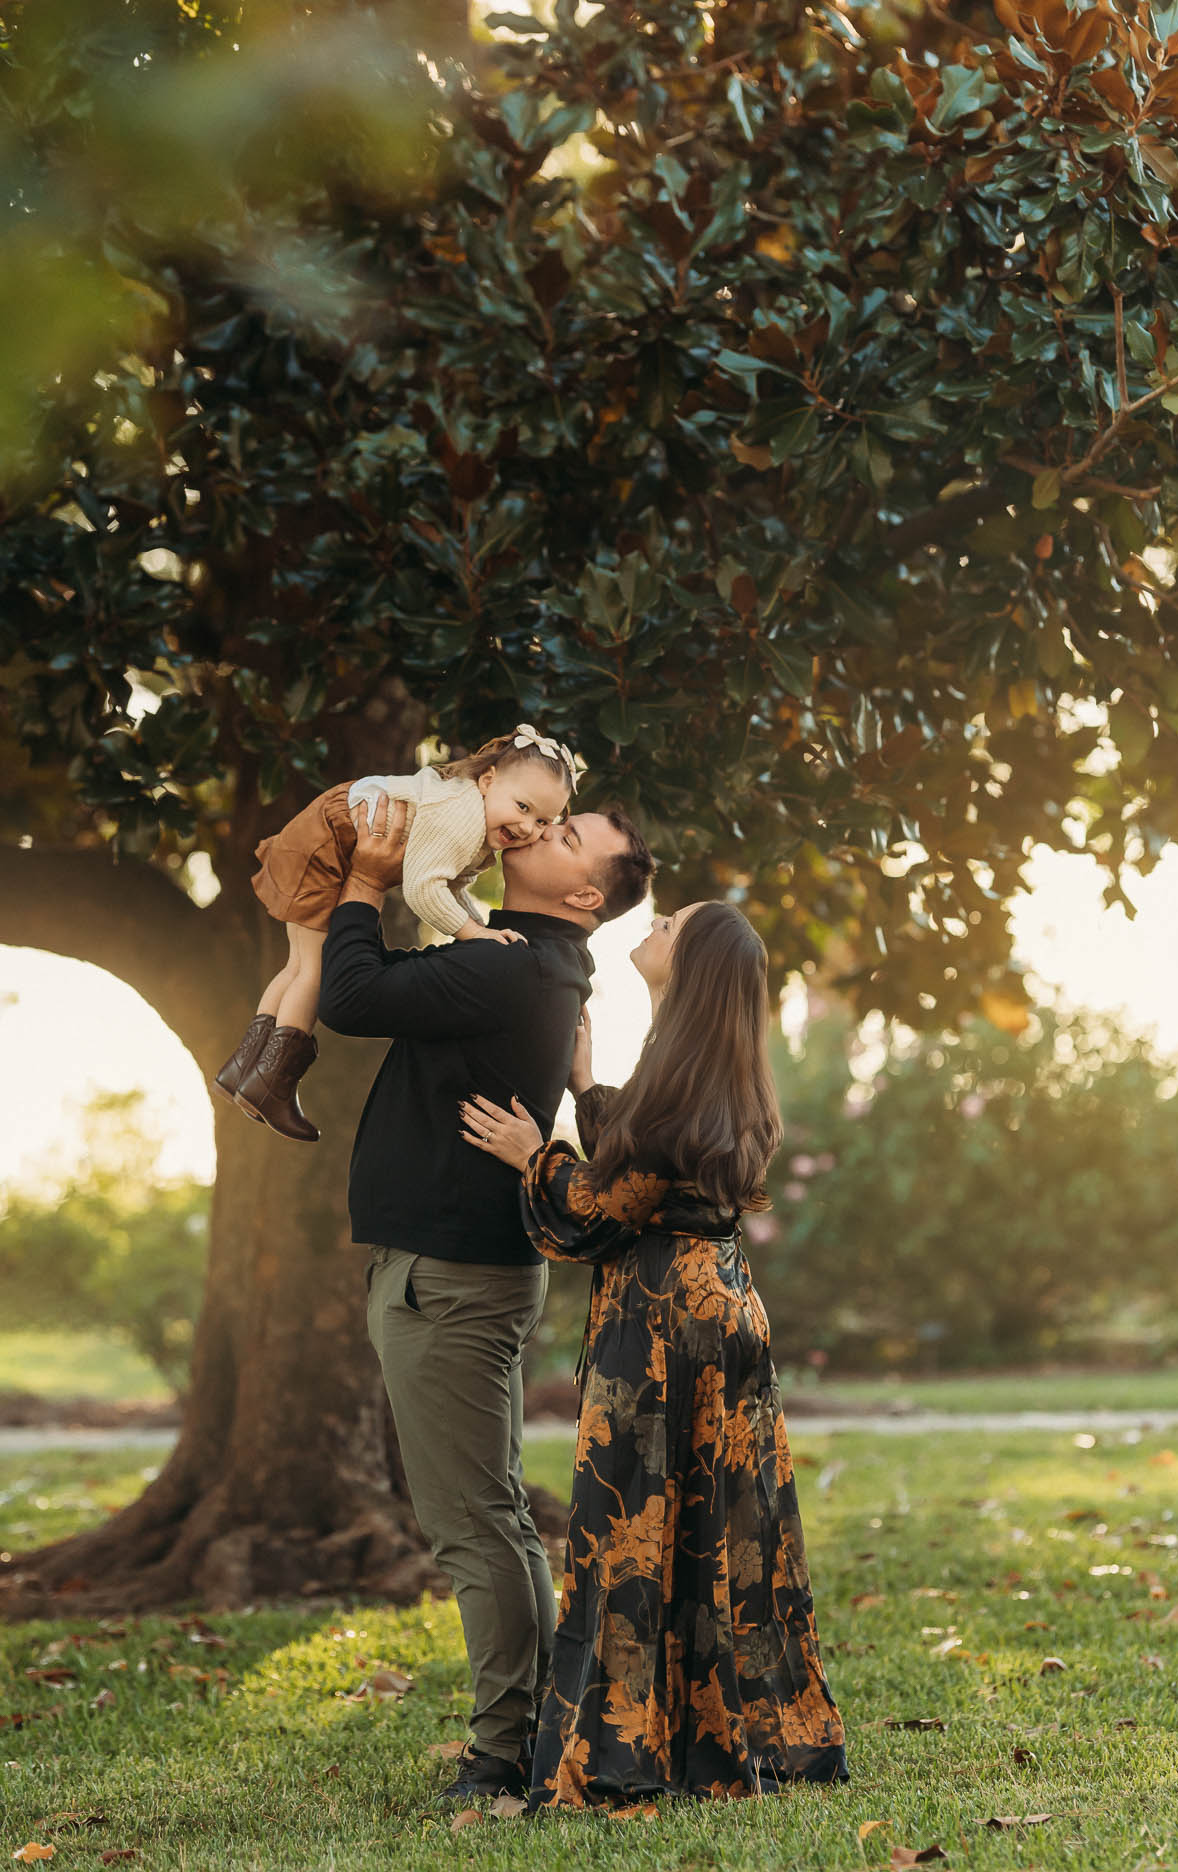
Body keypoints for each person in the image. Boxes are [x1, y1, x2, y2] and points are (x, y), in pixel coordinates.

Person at [462, 900, 849, 1807]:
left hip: (668, 1325)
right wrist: (588, 1089)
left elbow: (600, 1210)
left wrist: (535, 1154)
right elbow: (648, 1171)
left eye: (672, 923)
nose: (654, 922)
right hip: (721, 1312)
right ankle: (739, 1733)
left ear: (695, 966)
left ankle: (630, 1750)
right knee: (722, 1530)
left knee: (635, 1525)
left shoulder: (684, 1076)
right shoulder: (707, 1066)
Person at [318, 789, 654, 1803]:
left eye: (566, 834)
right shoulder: (516, 957)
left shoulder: (510, 965)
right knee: (486, 1511)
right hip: (451, 1270)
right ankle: (527, 1727)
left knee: (473, 1520)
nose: (540, 829)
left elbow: (350, 995)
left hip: (450, 1278)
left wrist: (364, 881)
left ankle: (504, 1751)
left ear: (586, 893)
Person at [213, 724, 577, 1142]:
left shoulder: (477, 819)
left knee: (297, 965)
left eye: (543, 820)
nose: (528, 826)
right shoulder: (461, 817)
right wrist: (473, 933)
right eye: (523, 806)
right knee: (313, 969)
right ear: (488, 781)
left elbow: (451, 888)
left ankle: (242, 1070)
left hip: (322, 834)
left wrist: (478, 929)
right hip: (329, 843)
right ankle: (271, 1083)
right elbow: (424, 890)